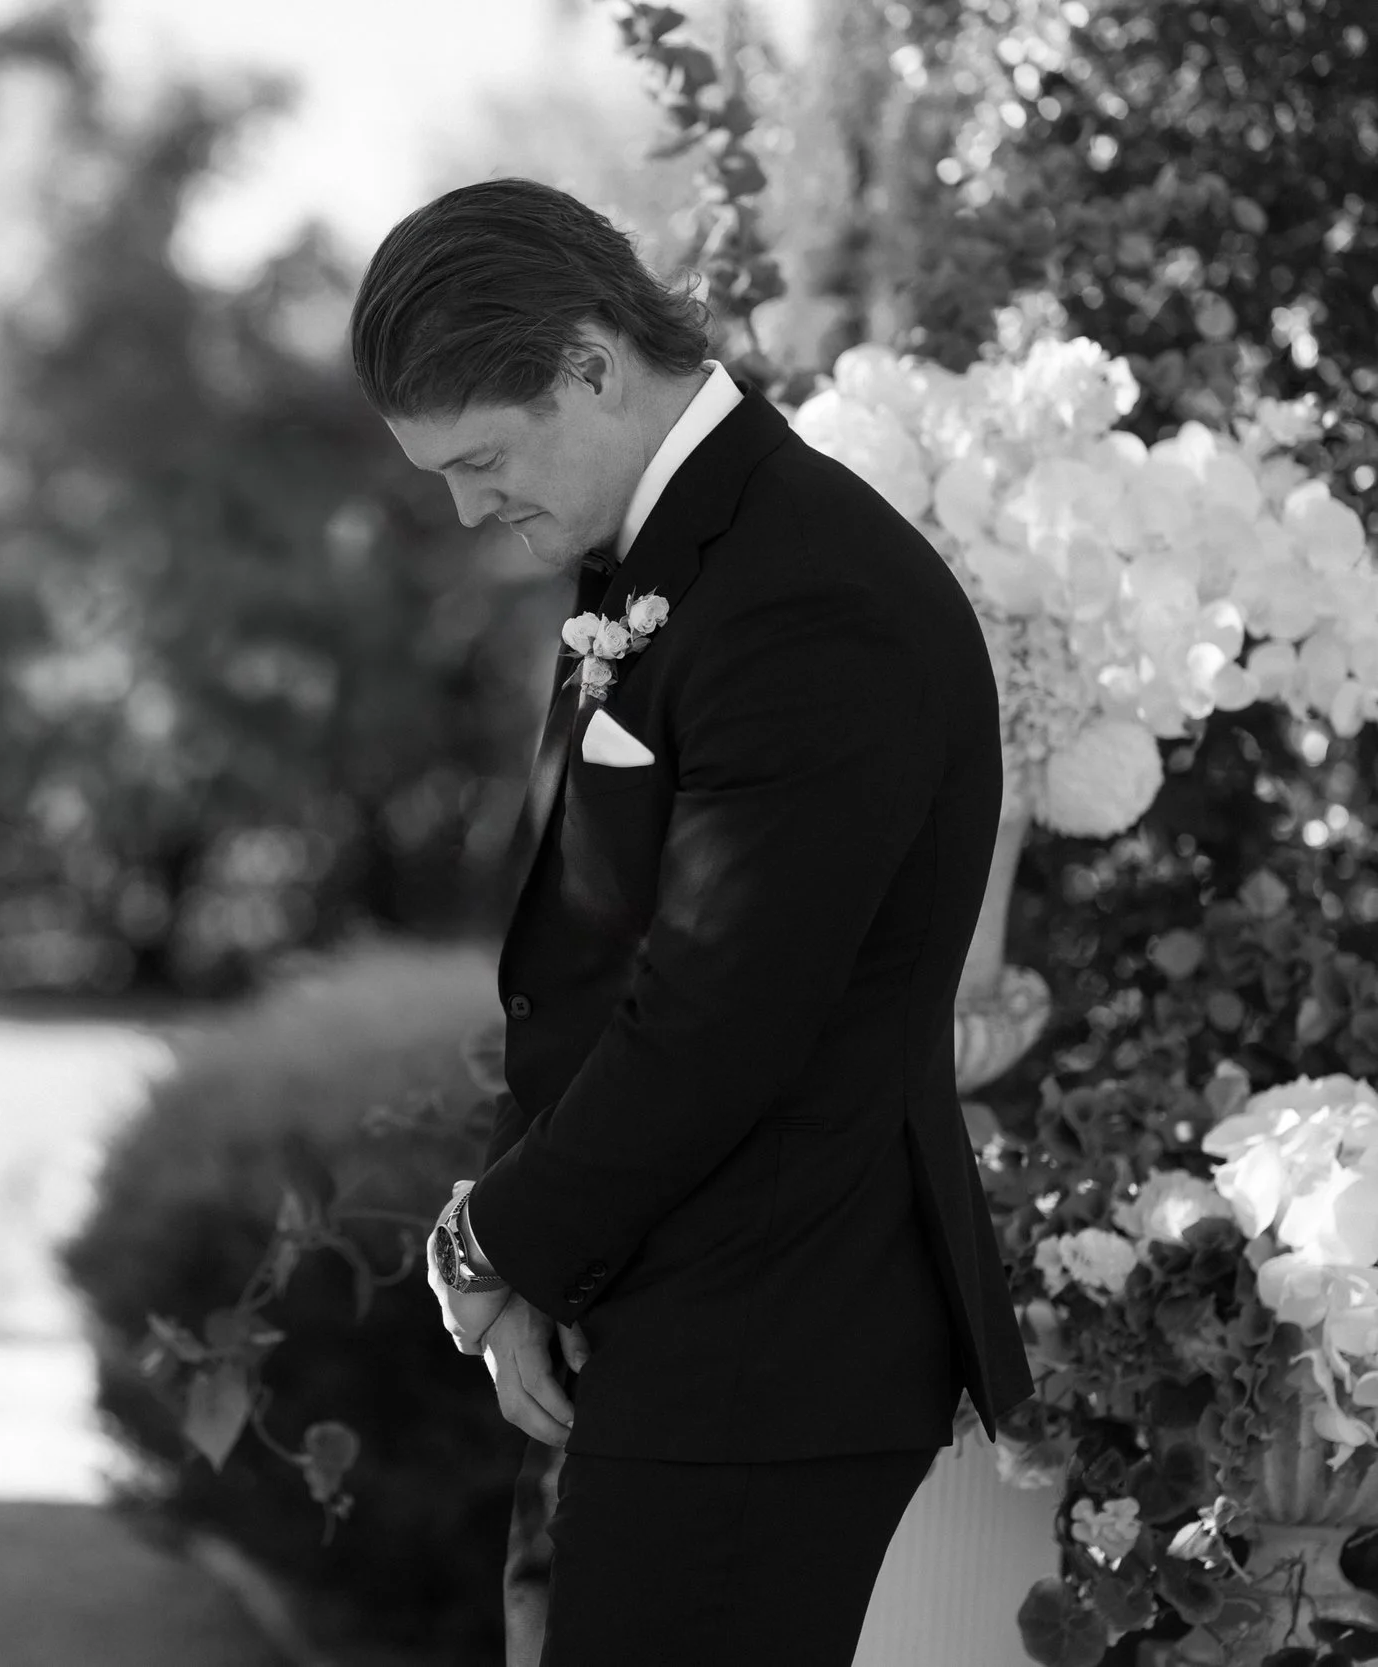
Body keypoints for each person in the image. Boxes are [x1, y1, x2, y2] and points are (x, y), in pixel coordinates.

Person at [350, 180, 1032, 1667]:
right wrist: (532, 1261)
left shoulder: (806, 591)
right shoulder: (668, 564)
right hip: (657, 1323)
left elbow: (721, 1003)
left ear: (592, 363)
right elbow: (591, 963)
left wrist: (491, 1242)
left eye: (482, 458)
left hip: (764, 1354)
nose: (470, 509)